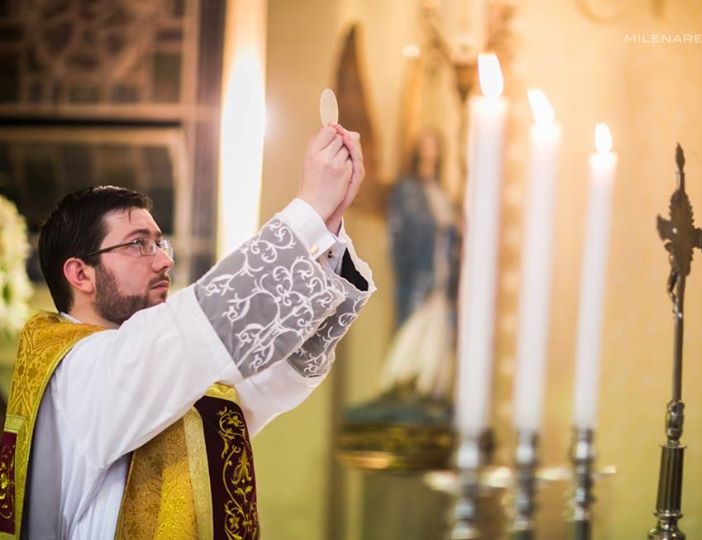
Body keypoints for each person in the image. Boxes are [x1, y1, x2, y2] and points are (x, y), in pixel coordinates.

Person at [0, 124, 374, 538]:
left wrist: (326, 227)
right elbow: (189, 333)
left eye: (161, 244)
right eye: (138, 244)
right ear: (80, 274)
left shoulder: (171, 375)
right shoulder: (76, 372)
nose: (163, 262)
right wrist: (308, 210)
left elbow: (268, 380)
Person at [379, 129, 460, 398]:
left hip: (441, 272)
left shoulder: (439, 192)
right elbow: (401, 234)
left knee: (438, 329)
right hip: (419, 274)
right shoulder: (408, 190)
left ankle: (428, 385)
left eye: (434, 148)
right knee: (415, 327)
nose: (430, 154)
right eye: (425, 147)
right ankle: (402, 378)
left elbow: (450, 229)